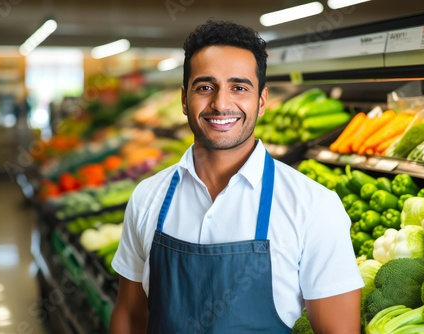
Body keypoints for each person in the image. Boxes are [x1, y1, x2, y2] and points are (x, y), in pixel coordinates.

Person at [110, 20, 363, 334]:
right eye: (205, 87)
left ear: (262, 100)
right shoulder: (148, 197)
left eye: (239, 87)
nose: (221, 104)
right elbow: (130, 317)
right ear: (184, 100)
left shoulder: (314, 207)